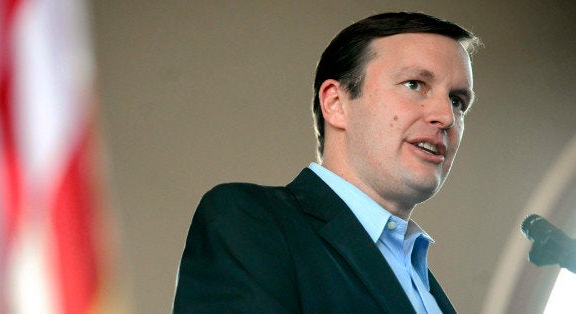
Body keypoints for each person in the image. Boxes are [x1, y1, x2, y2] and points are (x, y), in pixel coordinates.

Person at [173, 12, 480, 314]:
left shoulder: (421, 280)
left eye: (457, 100)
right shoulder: (250, 221)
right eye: (414, 84)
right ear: (335, 103)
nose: (446, 116)